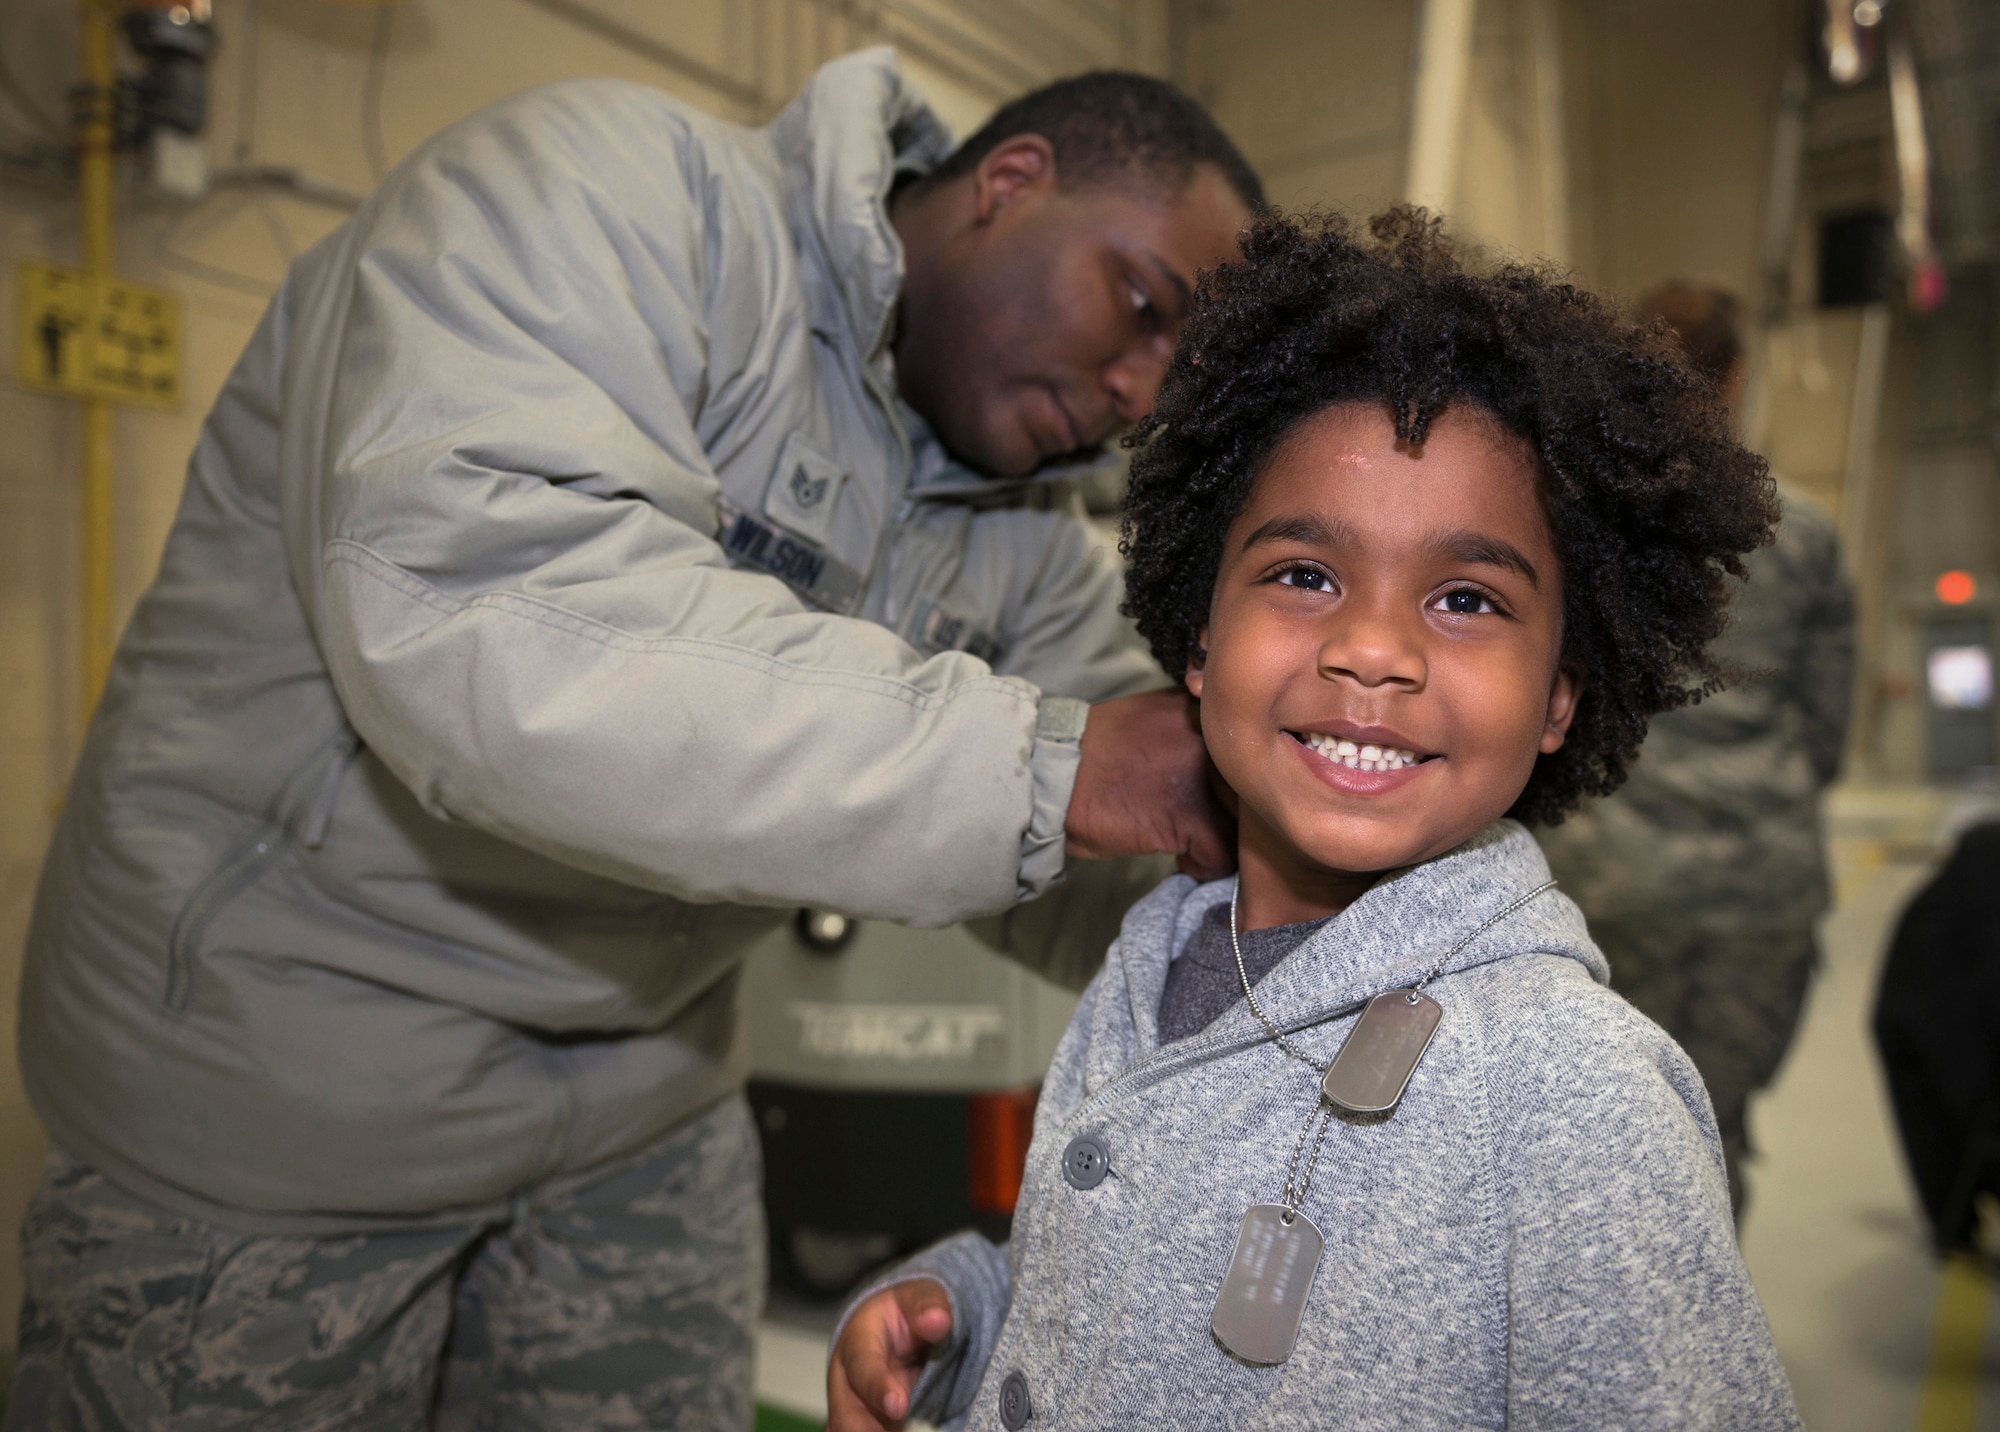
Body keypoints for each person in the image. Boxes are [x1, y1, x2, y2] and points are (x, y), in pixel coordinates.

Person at [7, 53, 1261, 1431]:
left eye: (1176, 379)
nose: (1142, 392)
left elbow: (1139, 823)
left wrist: (1334, 950)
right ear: (1008, 185)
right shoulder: (618, 201)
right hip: (278, 1094)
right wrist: (1047, 764)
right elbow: (487, 620)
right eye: (1140, 307)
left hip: (639, 1108)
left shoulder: (1023, 520)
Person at [827, 211, 1799, 1431]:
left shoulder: (1574, 1100)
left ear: (1559, 695)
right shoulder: (1161, 953)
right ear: (1196, 634)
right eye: (1302, 574)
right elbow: (1135, 1286)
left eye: (1464, 597)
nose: (1370, 650)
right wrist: (971, 1311)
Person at [1536, 281, 1855, 1214]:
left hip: (1608, 886)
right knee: (1710, 1145)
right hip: (1759, 893)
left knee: (1584, 1153)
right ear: (1740, 376)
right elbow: (1828, 730)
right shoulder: (1804, 535)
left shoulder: (1581, 516)